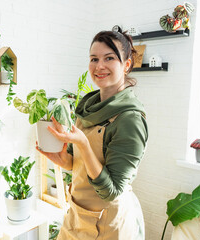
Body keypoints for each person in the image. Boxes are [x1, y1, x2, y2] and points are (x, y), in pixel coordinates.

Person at [36, 30, 148, 240]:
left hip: (109, 224)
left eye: (109, 58)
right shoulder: (87, 107)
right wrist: (63, 159)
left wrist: (84, 144)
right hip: (77, 215)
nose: (99, 66)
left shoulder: (129, 119)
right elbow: (78, 165)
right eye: (94, 59)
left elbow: (112, 190)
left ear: (126, 65)